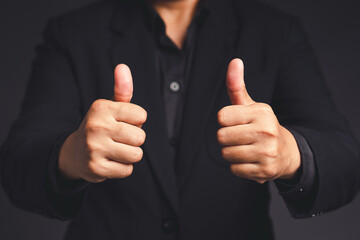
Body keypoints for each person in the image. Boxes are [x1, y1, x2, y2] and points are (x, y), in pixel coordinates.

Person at [1, 0, 359, 239]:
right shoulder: (72, 33)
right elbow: (17, 166)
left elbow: (346, 161)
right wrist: (69, 156)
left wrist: (292, 154)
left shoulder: (276, 31)